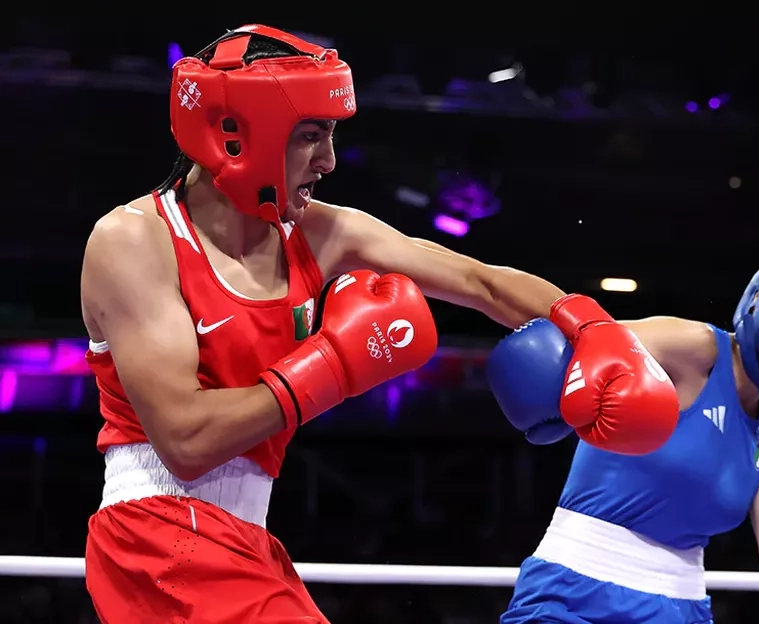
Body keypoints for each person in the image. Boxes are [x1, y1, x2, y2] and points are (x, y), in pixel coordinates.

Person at [79, 25, 677, 623]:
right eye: (310, 136)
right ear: (236, 134)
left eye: (330, 135)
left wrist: (591, 328)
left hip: (243, 537)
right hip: (159, 534)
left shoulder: (319, 233)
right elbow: (185, 442)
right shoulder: (135, 241)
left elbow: (481, 283)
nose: (328, 161)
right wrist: (333, 365)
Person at [487, 257, 759, 623]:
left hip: (680, 606)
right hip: (573, 590)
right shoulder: (694, 348)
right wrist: (472, 281)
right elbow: (577, 330)